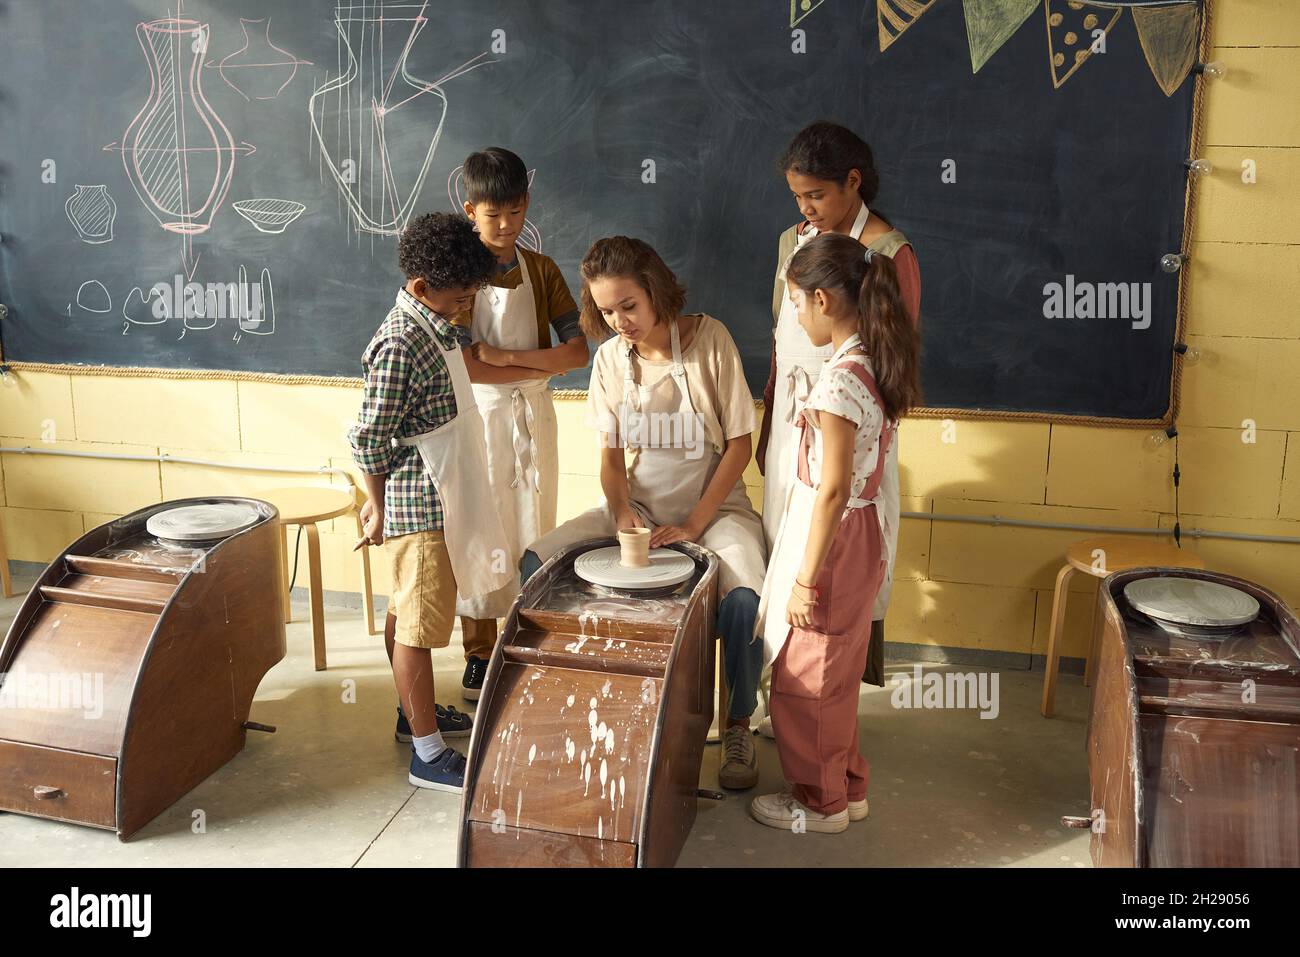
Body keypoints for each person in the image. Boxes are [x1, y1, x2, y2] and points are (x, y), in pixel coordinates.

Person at [522, 237, 769, 790]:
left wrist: (697, 525)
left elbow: (738, 447)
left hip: (716, 507)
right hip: (639, 505)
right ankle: (566, 700)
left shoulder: (710, 341)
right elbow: (610, 460)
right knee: (536, 562)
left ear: (656, 289)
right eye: (606, 310)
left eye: (628, 305)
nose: (619, 321)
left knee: (744, 601)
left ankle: (737, 723)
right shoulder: (610, 359)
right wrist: (620, 511)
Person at [350, 212, 540, 791]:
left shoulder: (434, 322)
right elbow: (366, 436)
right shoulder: (401, 342)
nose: (466, 306)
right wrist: (376, 503)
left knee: (403, 612)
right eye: (461, 297)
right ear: (421, 288)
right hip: (420, 503)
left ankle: (415, 719)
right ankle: (428, 755)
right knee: (417, 629)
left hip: (444, 493)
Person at [750, 233, 922, 833]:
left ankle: (818, 803)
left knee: (806, 679)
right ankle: (847, 786)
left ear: (822, 300)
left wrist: (802, 581)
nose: (795, 314)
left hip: (834, 540)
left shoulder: (836, 384)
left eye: (796, 302)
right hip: (863, 533)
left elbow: (829, 490)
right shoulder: (874, 361)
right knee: (838, 672)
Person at [757, 121, 921, 693]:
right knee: (784, 549)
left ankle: (824, 692)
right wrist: (767, 427)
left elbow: (894, 357)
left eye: (817, 195)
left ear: (853, 182)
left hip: (848, 427)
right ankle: (781, 689)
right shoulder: (790, 241)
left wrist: (863, 446)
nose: (807, 208)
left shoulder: (886, 251)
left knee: (833, 560)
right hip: (790, 422)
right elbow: (783, 343)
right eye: (798, 196)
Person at [451, 147, 589, 701]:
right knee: (483, 530)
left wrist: (505, 360)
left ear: (526, 204)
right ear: (470, 211)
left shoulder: (545, 270)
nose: (506, 226)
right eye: (493, 215)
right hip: (480, 419)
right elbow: (465, 364)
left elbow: (578, 352)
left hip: (534, 415)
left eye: (514, 212)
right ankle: (480, 653)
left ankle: (527, 638)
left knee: (535, 524)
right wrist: (531, 362)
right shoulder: (457, 275)